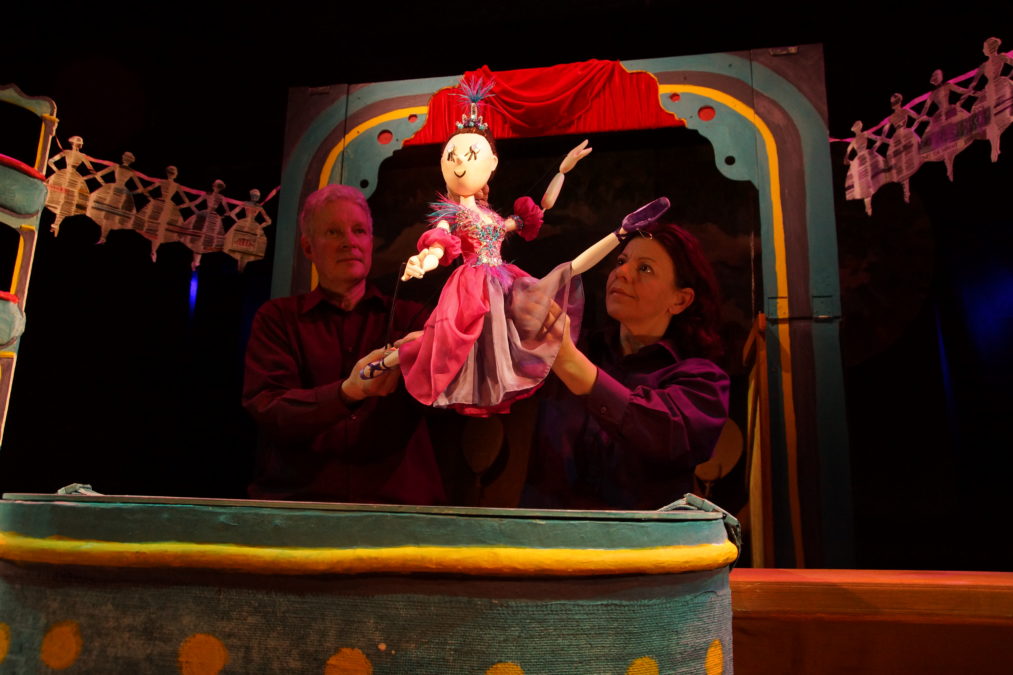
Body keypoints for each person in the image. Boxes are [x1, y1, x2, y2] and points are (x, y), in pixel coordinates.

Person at [369, 78, 657, 416]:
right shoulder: (453, 214)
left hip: (503, 282)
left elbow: (540, 210)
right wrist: (425, 259)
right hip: (470, 285)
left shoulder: (490, 215)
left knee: (556, 281)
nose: (459, 164)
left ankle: (620, 232)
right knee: (447, 340)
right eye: (451, 156)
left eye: (470, 156)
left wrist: (562, 172)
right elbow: (440, 240)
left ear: (491, 163)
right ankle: (390, 359)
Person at [242, 184, 445, 504]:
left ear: (370, 242)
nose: (349, 241)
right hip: (301, 504)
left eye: (358, 230)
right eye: (333, 232)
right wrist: (347, 392)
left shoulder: (413, 318)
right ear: (308, 248)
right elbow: (270, 409)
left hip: (398, 506)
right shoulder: (277, 319)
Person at [523, 220, 730, 510]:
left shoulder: (703, 381)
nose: (621, 272)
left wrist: (571, 363)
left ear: (680, 300)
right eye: (621, 261)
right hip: (546, 531)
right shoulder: (583, 347)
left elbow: (664, 433)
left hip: (642, 537)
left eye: (644, 268)